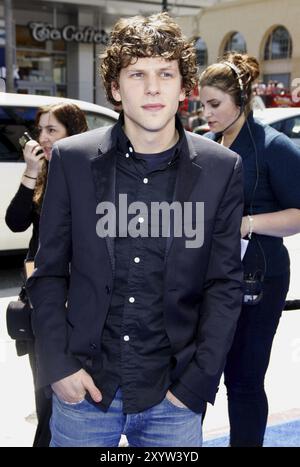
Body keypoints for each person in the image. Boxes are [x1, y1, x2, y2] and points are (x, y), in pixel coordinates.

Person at [26, 13, 244, 448]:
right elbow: (48, 271)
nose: (152, 87)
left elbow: (224, 284)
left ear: (184, 88)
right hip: (84, 391)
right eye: (137, 73)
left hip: (173, 396)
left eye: (166, 73)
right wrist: (58, 367)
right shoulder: (71, 158)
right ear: (114, 88)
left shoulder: (221, 168)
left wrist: (197, 383)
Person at [199, 52, 300, 447]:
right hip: (208, 278)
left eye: (214, 104)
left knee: (242, 379)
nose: (206, 113)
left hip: (258, 277)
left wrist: (246, 224)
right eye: (201, 104)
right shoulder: (206, 144)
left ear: (240, 99)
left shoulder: (275, 147)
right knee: (201, 375)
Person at [5, 102, 88, 447]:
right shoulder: (43, 172)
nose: (43, 138)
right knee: (46, 399)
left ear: (74, 134)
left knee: (72, 401)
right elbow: (15, 221)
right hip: (43, 299)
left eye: (52, 130)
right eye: (41, 130)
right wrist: (30, 170)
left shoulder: (87, 175)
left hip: (81, 300)